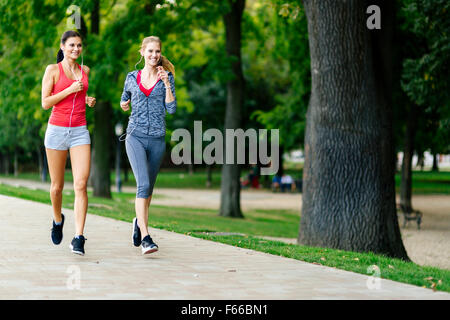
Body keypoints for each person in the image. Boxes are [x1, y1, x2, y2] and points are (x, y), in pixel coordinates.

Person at [120, 36, 177, 255]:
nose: (154, 55)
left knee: (149, 189)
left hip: (157, 140)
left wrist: (165, 84)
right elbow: (124, 98)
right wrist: (124, 104)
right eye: (150, 51)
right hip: (135, 136)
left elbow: (171, 109)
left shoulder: (167, 77)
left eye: (158, 52)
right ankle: (146, 237)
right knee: (142, 185)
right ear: (142, 52)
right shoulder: (132, 77)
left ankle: (138, 222)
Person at [41, 30, 96, 256]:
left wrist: (87, 99)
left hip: (80, 132)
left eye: (79, 45)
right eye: (72, 45)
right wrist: (70, 89)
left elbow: (79, 96)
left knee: (81, 184)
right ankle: (57, 219)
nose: (76, 49)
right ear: (62, 47)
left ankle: (79, 237)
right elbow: (45, 103)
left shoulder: (86, 71)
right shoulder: (52, 70)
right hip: (56, 131)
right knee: (57, 187)